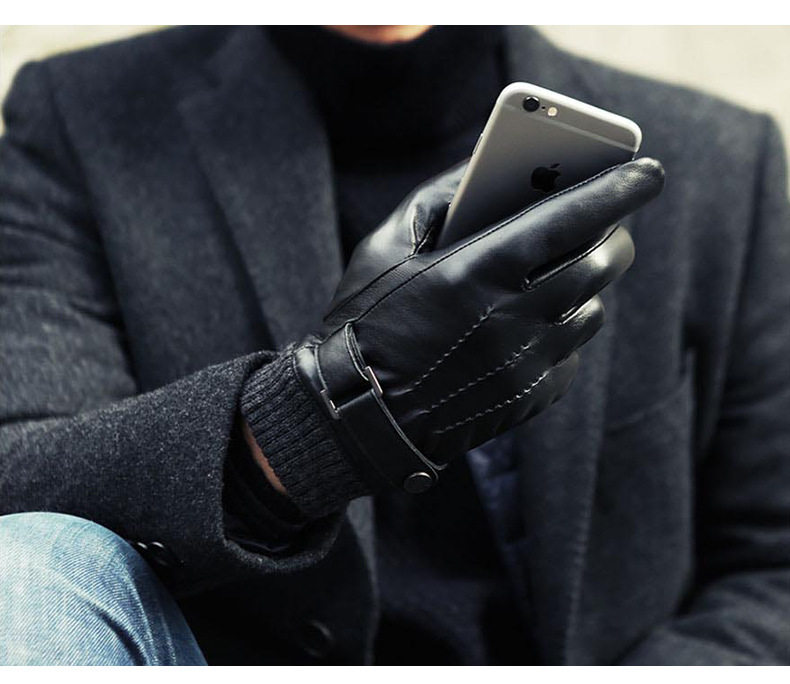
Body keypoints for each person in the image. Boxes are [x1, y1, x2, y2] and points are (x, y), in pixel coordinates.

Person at [0, 25, 788, 666]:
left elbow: (774, 565)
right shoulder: (81, 116)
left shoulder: (721, 160)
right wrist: (313, 422)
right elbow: (21, 482)